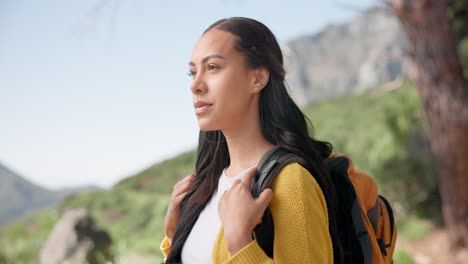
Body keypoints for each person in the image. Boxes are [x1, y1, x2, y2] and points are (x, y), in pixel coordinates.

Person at [160, 17, 341, 264]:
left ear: (257, 79)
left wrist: (239, 242)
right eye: (192, 72)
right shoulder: (205, 186)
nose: (195, 85)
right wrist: (173, 236)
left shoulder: (290, 181)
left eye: (212, 67)